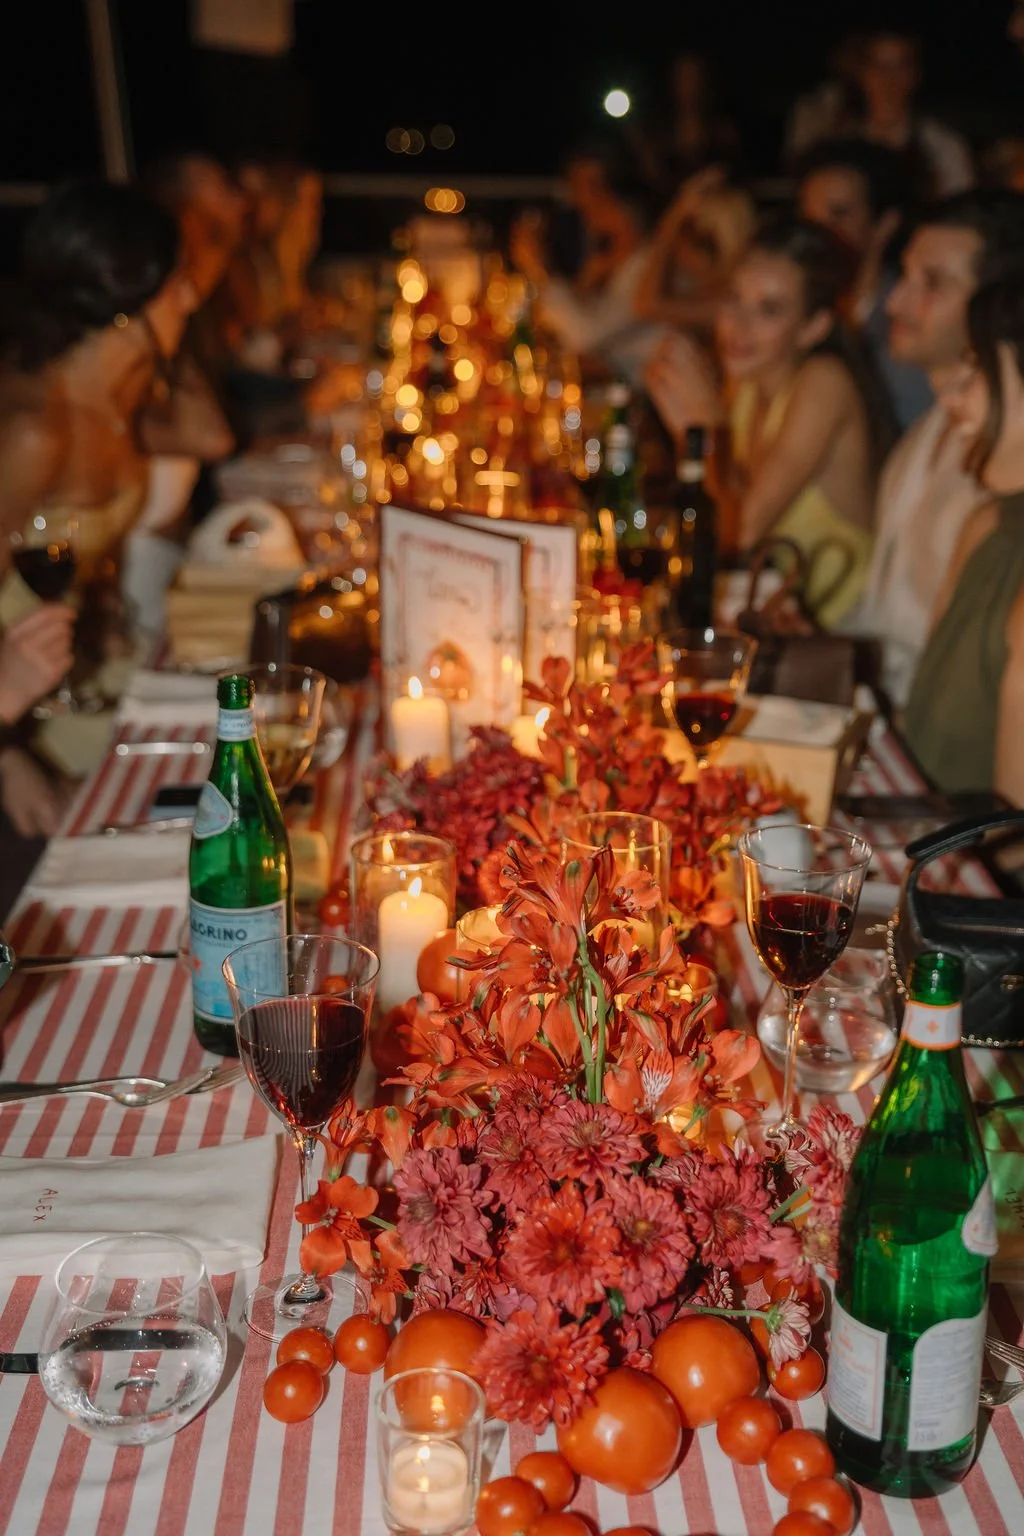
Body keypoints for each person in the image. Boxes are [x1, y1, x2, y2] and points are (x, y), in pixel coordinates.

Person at [0, 180, 196, 859]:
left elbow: (211, 433)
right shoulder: (34, 431)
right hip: (30, 715)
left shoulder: (115, 402)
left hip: (86, 676)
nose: (193, 299)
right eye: (177, 285)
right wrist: (7, 755)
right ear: (126, 304)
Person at [646, 215, 885, 626]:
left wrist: (707, 426)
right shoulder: (750, 381)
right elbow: (715, 507)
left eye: (769, 310)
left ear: (813, 328)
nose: (738, 325)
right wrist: (693, 437)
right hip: (765, 617)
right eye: (734, 299)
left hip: (830, 642)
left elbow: (740, 534)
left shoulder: (825, 383)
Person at [853, 190, 1024, 708]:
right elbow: (883, 617)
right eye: (904, 275)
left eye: (933, 283)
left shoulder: (1004, 463)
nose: (895, 302)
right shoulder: (925, 431)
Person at [904, 279, 1024, 801]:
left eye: (978, 371)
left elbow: (1012, 841)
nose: (950, 394)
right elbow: (921, 726)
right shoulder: (987, 526)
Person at [797, 136, 932, 430]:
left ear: (884, 225)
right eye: (809, 217)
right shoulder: (792, 316)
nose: (818, 234)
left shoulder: (903, 332)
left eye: (839, 214)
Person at [510, 149, 670, 385]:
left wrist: (540, 270)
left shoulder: (649, 264)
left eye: (584, 188)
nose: (575, 201)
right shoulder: (609, 258)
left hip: (641, 403)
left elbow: (585, 336)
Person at [848, 29, 974, 199]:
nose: (888, 79)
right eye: (879, 67)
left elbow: (962, 209)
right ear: (862, 74)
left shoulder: (943, 147)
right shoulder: (840, 143)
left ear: (916, 74)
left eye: (899, 67)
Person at [633, 170, 755, 333]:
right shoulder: (710, 287)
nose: (677, 248)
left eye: (683, 234)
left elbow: (646, 305)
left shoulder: (728, 299)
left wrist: (673, 219)